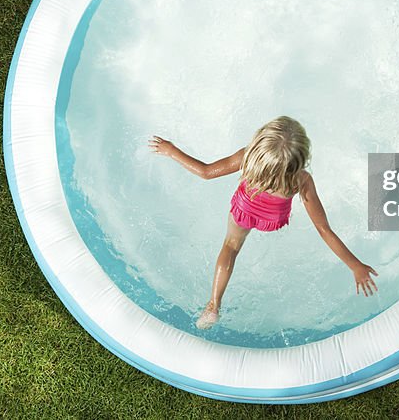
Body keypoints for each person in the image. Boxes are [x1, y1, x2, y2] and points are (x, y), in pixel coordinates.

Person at [148, 116, 379, 330]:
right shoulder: (301, 179)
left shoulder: (247, 157)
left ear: (259, 145)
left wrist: (172, 151)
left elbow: (206, 172)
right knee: (236, 244)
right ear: (301, 158)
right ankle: (213, 304)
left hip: (244, 212)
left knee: (230, 246)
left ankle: (213, 306)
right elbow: (323, 228)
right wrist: (354, 265)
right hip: (273, 220)